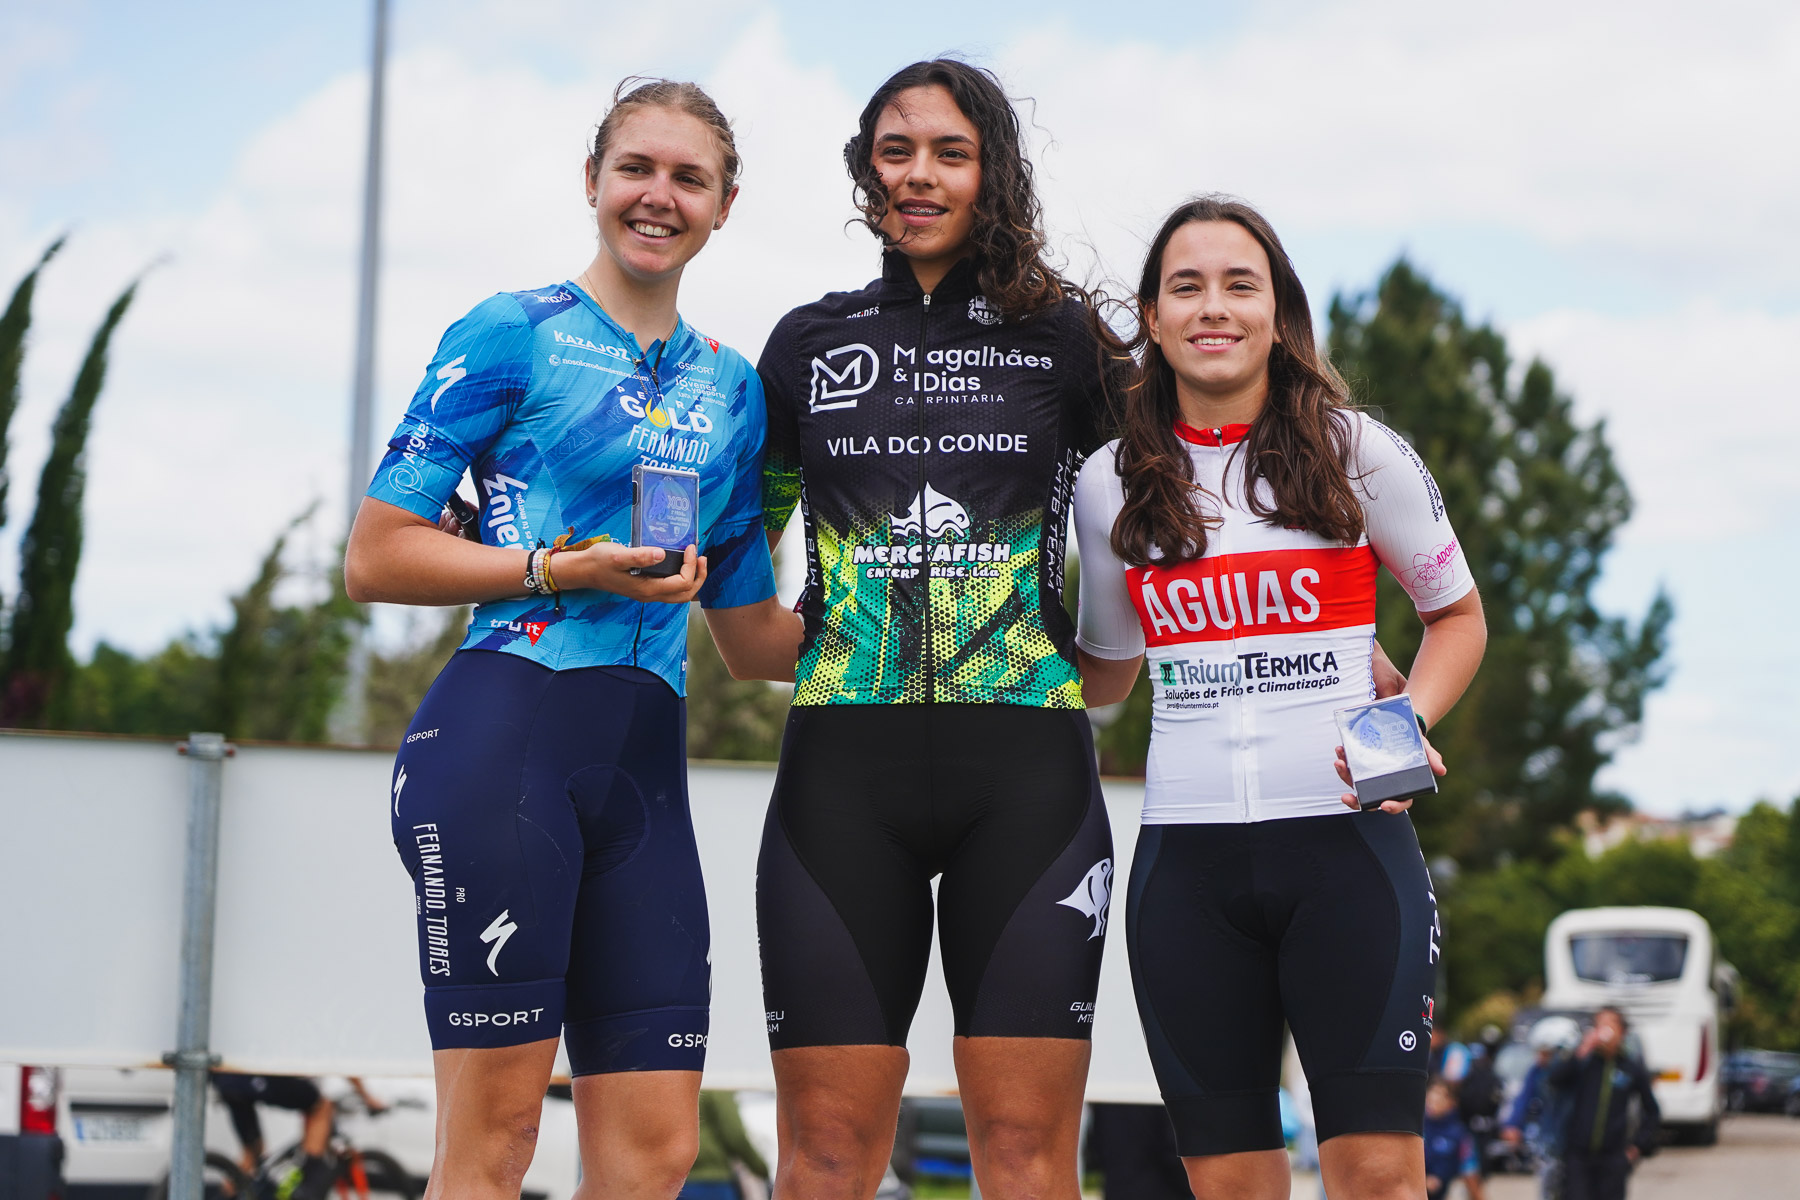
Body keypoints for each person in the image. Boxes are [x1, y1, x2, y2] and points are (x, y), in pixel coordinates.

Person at [344, 79, 799, 1200]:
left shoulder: (733, 391)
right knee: (489, 1147)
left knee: (656, 1154)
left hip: (642, 769)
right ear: (591, 181)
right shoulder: (515, 331)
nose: (659, 195)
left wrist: (943, 614)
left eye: (688, 177)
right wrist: (556, 566)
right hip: (504, 742)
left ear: (725, 204)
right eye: (636, 168)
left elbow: (749, 639)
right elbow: (376, 555)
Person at [751, 58, 1120, 1200]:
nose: (919, 174)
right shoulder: (809, 343)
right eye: (896, 149)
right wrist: (762, 639)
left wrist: (1366, 650)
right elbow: (719, 536)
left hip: (1029, 780)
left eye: (949, 153)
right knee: (824, 1158)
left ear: (992, 172)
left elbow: (1180, 509)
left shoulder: (1065, 342)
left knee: (1021, 1158)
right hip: (838, 781)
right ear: (867, 168)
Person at [1074, 195, 1488, 1200]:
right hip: (1189, 862)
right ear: (1154, 318)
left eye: (1238, 284)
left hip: (1346, 847)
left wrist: (1404, 719)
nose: (1213, 307)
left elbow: (1459, 620)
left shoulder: (1358, 451)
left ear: (1277, 312)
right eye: (1187, 286)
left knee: (1381, 1179)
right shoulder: (1107, 483)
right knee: (1229, 1190)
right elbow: (1107, 680)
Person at [209, 1074, 385, 1200]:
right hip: (249, 1076)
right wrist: (366, 1096)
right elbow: (343, 1062)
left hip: (225, 1080)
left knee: (252, 1154)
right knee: (321, 1106)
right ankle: (305, 1185)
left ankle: (224, 1195)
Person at [1549, 1008, 1659, 1200]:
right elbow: (1555, 1080)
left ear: (1622, 1031)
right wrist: (1583, 1050)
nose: (1605, 1029)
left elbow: (1652, 1111)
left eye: (1611, 1023)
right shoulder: (1584, 1063)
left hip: (1613, 1157)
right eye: (1599, 1024)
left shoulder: (1629, 1067)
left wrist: (1637, 1147)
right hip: (1578, 1155)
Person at [680, 1091, 770, 1200]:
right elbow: (735, 1134)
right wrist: (760, 1168)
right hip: (713, 1180)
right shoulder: (718, 1084)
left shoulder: (674, 1083)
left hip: (675, 1178)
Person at [1422, 1080, 1485, 1200]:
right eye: (1432, 1092)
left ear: (1452, 1102)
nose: (1435, 1098)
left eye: (1442, 1094)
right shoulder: (1414, 1128)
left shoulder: (1460, 1135)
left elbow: (1470, 1174)